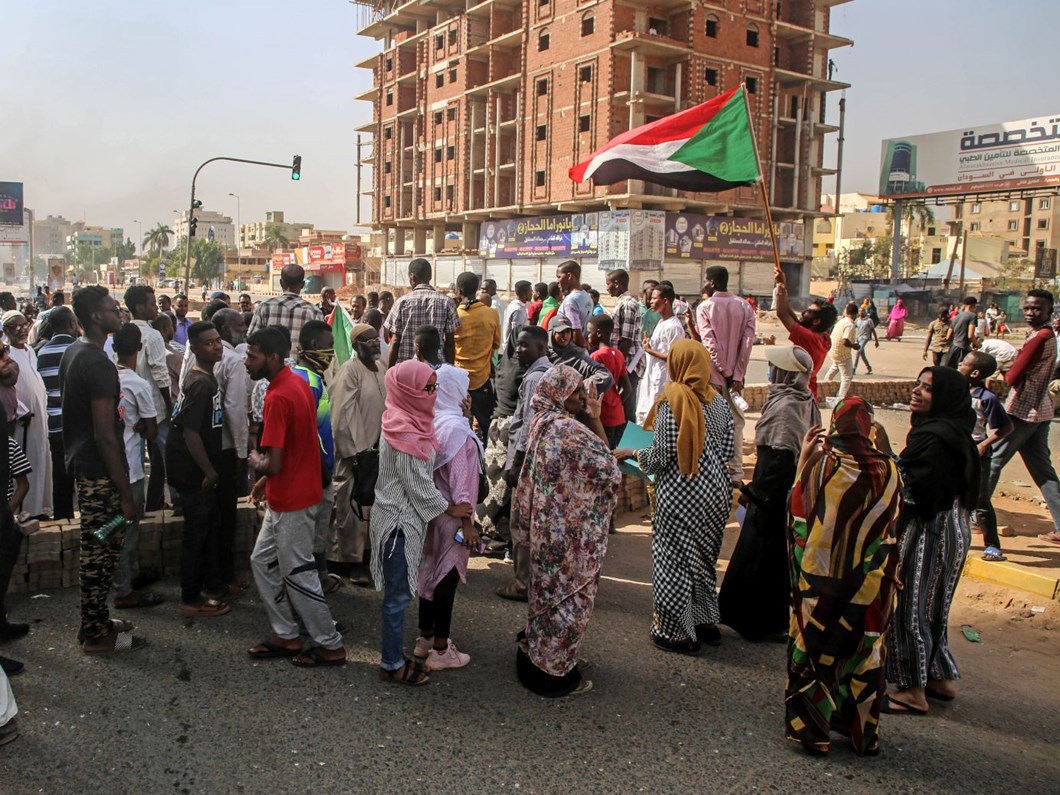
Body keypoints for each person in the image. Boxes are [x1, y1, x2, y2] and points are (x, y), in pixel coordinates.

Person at [785, 398, 901, 756]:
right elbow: (892, 529)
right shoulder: (889, 472)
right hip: (866, 584)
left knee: (814, 652)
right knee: (861, 653)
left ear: (836, 424)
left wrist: (803, 459)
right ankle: (860, 732)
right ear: (866, 427)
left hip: (819, 583)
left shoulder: (823, 465)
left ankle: (813, 733)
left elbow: (797, 513)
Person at [614, 341, 734, 654]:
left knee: (673, 560)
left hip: (682, 491)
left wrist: (633, 453)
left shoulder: (673, 400)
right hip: (717, 492)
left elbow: (663, 453)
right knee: (704, 558)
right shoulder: (718, 401)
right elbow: (728, 450)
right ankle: (705, 621)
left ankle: (676, 633)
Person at [514, 366, 620, 697]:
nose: (582, 398)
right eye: (575, 393)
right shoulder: (569, 432)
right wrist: (596, 418)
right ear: (559, 395)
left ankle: (542, 655)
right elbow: (610, 470)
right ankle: (554, 672)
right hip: (572, 538)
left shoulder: (541, 422)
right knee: (572, 601)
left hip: (546, 531)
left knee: (547, 594)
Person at [245, 327, 346, 667]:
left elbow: (272, 462)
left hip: (293, 500)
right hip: (290, 494)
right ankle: (286, 634)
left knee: (297, 573)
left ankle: (328, 643)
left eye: (252, 356)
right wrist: (265, 484)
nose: (247, 362)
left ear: (272, 357)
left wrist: (255, 463)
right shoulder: (297, 382)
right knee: (262, 562)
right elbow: (302, 442)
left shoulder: (277, 396)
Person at [880, 367, 979, 715]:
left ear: (946, 398)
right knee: (935, 606)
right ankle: (938, 676)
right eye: (918, 384)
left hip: (929, 528)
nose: (917, 392)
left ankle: (912, 689)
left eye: (928, 389)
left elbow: (916, 491)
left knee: (909, 604)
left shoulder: (936, 439)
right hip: (953, 527)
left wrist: (885, 458)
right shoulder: (954, 431)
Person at [371, 360, 473, 686]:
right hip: (399, 523)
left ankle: (396, 656)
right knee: (397, 599)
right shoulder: (404, 430)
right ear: (407, 390)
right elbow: (417, 484)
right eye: (426, 388)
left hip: (402, 519)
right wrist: (453, 509)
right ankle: (391, 663)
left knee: (401, 594)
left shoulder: (409, 419)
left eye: (434, 387)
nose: (431, 394)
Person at [60, 286, 146, 653]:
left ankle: (95, 620)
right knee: (101, 550)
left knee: (102, 545)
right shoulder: (96, 363)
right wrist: (125, 491)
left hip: (89, 469)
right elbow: (105, 434)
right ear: (97, 316)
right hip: (99, 475)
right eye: (114, 309)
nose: (120, 313)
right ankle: (95, 634)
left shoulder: (76, 352)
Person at [719, 346, 820, 642]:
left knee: (761, 558)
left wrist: (754, 494)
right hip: (784, 494)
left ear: (785, 373)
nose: (769, 372)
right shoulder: (805, 400)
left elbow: (779, 459)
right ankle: (764, 620)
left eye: (774, 367)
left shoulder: (787, 406)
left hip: (772, 497)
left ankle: (756, 623)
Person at [415, 366, 481, 670]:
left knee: (429, 571)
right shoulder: (457, 430)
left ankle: (424, 638)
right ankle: (441, 650)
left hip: (434, 511)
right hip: (454, 517)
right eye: (464, 389)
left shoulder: (437, 421)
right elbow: (460, 479)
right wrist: (468, 523)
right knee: (446, 578)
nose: (468, 395)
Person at [987, 290, 1060, 546]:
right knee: (1043, 471)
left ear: (1049, 311)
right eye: (1027, 308)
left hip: (1023, 409)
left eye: (1037, 309)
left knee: (992, 460)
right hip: (1041, 410)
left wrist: (1008, 369)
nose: (1030, 313)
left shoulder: (1040, 337)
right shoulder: (1045, 334)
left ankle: (978, 515)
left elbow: (1012, 376)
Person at [167, 321, 229, 618]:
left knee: (207, 528)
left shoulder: (207, 377)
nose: (216, 346)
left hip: (199, 467)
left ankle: (212, 585)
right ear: (194, 348)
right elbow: (190, 433)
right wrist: (209, 471)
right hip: (192, 470)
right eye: (208, 343)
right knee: (196, 533)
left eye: (218, 341)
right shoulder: (200, 383)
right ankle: (190, 597)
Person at [329, 323, 387, 585]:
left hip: (377, 451)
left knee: (373, 508)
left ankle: (368, 556)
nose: (375, 343)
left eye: (376, 339)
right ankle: (350, 562)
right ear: (357, 346)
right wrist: (356, 451)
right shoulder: (349, 372)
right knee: (350, 507)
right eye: (368, 340)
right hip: (355, 453)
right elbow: (342, 414)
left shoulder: (382, 368)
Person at [498, 326, 552, 601]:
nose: (518, 350)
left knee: (521, 524)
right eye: (517, 345)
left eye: (524, 346)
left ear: (541, 348)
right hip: (536, 461)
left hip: (526, 461)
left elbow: (528, 426)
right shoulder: (543, 372)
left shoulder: (534, 379)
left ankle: (522, 584)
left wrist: (515, 463)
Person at [112, 324, 164, 609]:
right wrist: (142, 425)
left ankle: (130, 576)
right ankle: (124, 590)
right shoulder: (138, 384)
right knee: (128, 530)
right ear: (140, 349)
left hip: (111, 466)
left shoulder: (108, 377)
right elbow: (152, 432)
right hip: (131, 467)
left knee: (118, 528)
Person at [290, 320, 340, 593]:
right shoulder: (307, 382)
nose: (331, 353)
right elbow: (307, 433)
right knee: (313, 531)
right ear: (313, 347)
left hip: (318, 469)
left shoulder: (309, 377)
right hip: (315, 472)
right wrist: (322, 470)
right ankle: (313, 585)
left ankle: (320, 576)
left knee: (319, 530)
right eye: (328, 347)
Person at [696, 266, 756, 482]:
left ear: (711, 281)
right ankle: (736, 472)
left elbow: (709, 342)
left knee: (712, 424)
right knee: (737, 425)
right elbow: (747, 343)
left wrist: (726, 371)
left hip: (714, 376)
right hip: (735, 380)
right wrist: (737, 374)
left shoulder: (705, 307)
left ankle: (715, 472)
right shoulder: (744, 306)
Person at [124, 286, 176, 514]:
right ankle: (177, 499)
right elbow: (160, 373)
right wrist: (169, 404)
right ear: (139, 307)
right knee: (168, 454)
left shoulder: (122, 332)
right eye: (152, 304)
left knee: (134, 456)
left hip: (130, 408)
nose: (156, 307)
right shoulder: (153, 335)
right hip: (155, 408)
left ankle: (141, 504)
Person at [210, 309, 251, 598]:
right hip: (226, 448)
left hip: (208, 444)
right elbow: (236, 409)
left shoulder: (199, 352)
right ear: (225, 328)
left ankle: (216, 575)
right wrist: (241, 452)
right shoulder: (234, 360)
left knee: (213, 516)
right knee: (224, 517)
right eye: (239, 324)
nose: (244, 328)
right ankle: (222, 578)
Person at [958, 351, 1013, 562]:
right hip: (956, 450)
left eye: (964, 363)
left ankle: (992, 546)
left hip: (977, 454)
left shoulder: (985, 398)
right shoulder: (956, 392)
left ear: (975, 372)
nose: (959, 365)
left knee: (980, 501)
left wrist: (984, 445)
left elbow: (1006, 427)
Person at [2, 311, 52, 520]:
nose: (22, 330)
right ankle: (26, 509)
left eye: (25, 325)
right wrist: (22, 411)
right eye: (16, 327)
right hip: (23, 422)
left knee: (41, 460)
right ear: (6, 331)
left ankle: (40, 506)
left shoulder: (30, 351)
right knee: (24, 464)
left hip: (40, 418)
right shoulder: (7, 356)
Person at [35, 306, 77, 520]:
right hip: (77, 425)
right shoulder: (78, 348)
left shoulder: (42, 352)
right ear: (72, 324)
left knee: (61, 478)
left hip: (54, 425)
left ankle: (63, 519)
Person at [772, 267, 837, 399]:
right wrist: (783, 288)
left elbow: (782, 314)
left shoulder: (810, 339)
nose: (803, 313)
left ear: (816, 321)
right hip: (807, 391)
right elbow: (795, 320)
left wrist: (780, 286)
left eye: (809, 311)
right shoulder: (823, 337)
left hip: (798, 394)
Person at [384, 258, 461, 366]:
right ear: (430, 277)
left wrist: (390, 371)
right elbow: (449, 343)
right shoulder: (447, 303)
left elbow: (395, 341)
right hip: (436, 370)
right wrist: (449, 371)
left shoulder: (401, 302)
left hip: (407, 370)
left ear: (412, 277)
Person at [453, 271, 500, 443]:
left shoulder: (454, 314)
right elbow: (496, 344)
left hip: (458, 380)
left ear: (458, 291)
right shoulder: (491, 313)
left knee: (457, 425)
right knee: (486, 424)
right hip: (482, 379)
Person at [635, 284, 686, 424]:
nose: (651, 301)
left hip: (663, 380)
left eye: (654, 298)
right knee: (644, 416)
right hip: (652, 376)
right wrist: (649, 346)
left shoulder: (674, 327)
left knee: (657, 418)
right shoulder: (661, 322)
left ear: (665, 301)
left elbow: (675, 357)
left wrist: (651, 351)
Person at [247, 264, 322, 345]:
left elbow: (252, 339)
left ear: (281, 283)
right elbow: (321, 344)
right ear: (302, 285)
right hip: (300, 358)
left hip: (271, 357)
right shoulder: (314, 312)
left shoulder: (265, 307)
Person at [604, 269, 644, 423]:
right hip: (625, 363)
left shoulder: (628, 305)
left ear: (617, 284)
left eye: (608, 284)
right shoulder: (622, 303)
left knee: (626, 408)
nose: (607, 288)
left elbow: (626, 341)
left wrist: (618, 367)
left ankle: (628, 444)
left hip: (628, 364)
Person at [586, 315, 630, 449]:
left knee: (602, 455)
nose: (587, 336)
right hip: (618, 415)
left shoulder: (596, 356)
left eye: (589, 332)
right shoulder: (618, 354)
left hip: (603, 417)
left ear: (598, 333)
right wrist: (616, 403)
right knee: (615, 455)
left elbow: (591, 389)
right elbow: (627, 388)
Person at [547, 315, 613, 398]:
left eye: (568, 332)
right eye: (560, 332)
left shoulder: (576, 355)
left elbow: (605, 375)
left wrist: (578, 388)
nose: (565, 336)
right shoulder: (541, 353)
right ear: (551, 333)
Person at [823, 302, 860, 404]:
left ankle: (825, 385)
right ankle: (840, 398)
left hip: (833, 351)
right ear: (855, 314)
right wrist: (854, 346)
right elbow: (845, 341)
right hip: (842, 353)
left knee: (835, 367)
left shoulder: (842, 321)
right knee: (847, 377)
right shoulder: (850, 324)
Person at [555, 261, 593, 348]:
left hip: (571, 352)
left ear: (569, 276)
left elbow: (575, 332)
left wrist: (582, 349)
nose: (557, 281)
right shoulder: (587, 297)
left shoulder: (571, 300)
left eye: (559, 277)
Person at [944, 297, 978, 368]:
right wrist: (978, 345)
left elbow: (948, 336)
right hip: (963, 348)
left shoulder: (956, 317)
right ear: (971, 306)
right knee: (962, 370)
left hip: (953, 347)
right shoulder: (972, 316)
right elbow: (970, 336)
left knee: (950, 370)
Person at [502, 280, 532, 347]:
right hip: (514, 348)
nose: (532, 294)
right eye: (530, 291)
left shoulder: (514, 304)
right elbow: (517, 333)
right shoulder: (518, 310)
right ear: (525, 293)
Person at [851, 305, 880, 375]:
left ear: (865, 312)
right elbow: (853, 328)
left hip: (865, 338)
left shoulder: (869, 320)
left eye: (862, 311)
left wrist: (876, 341)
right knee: (862, 353)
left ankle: (853, 369)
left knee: (858, 352)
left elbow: (873, 330)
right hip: (858, 338)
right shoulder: (857, 320)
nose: (861, 312)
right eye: (860, 311)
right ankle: (869, 368)